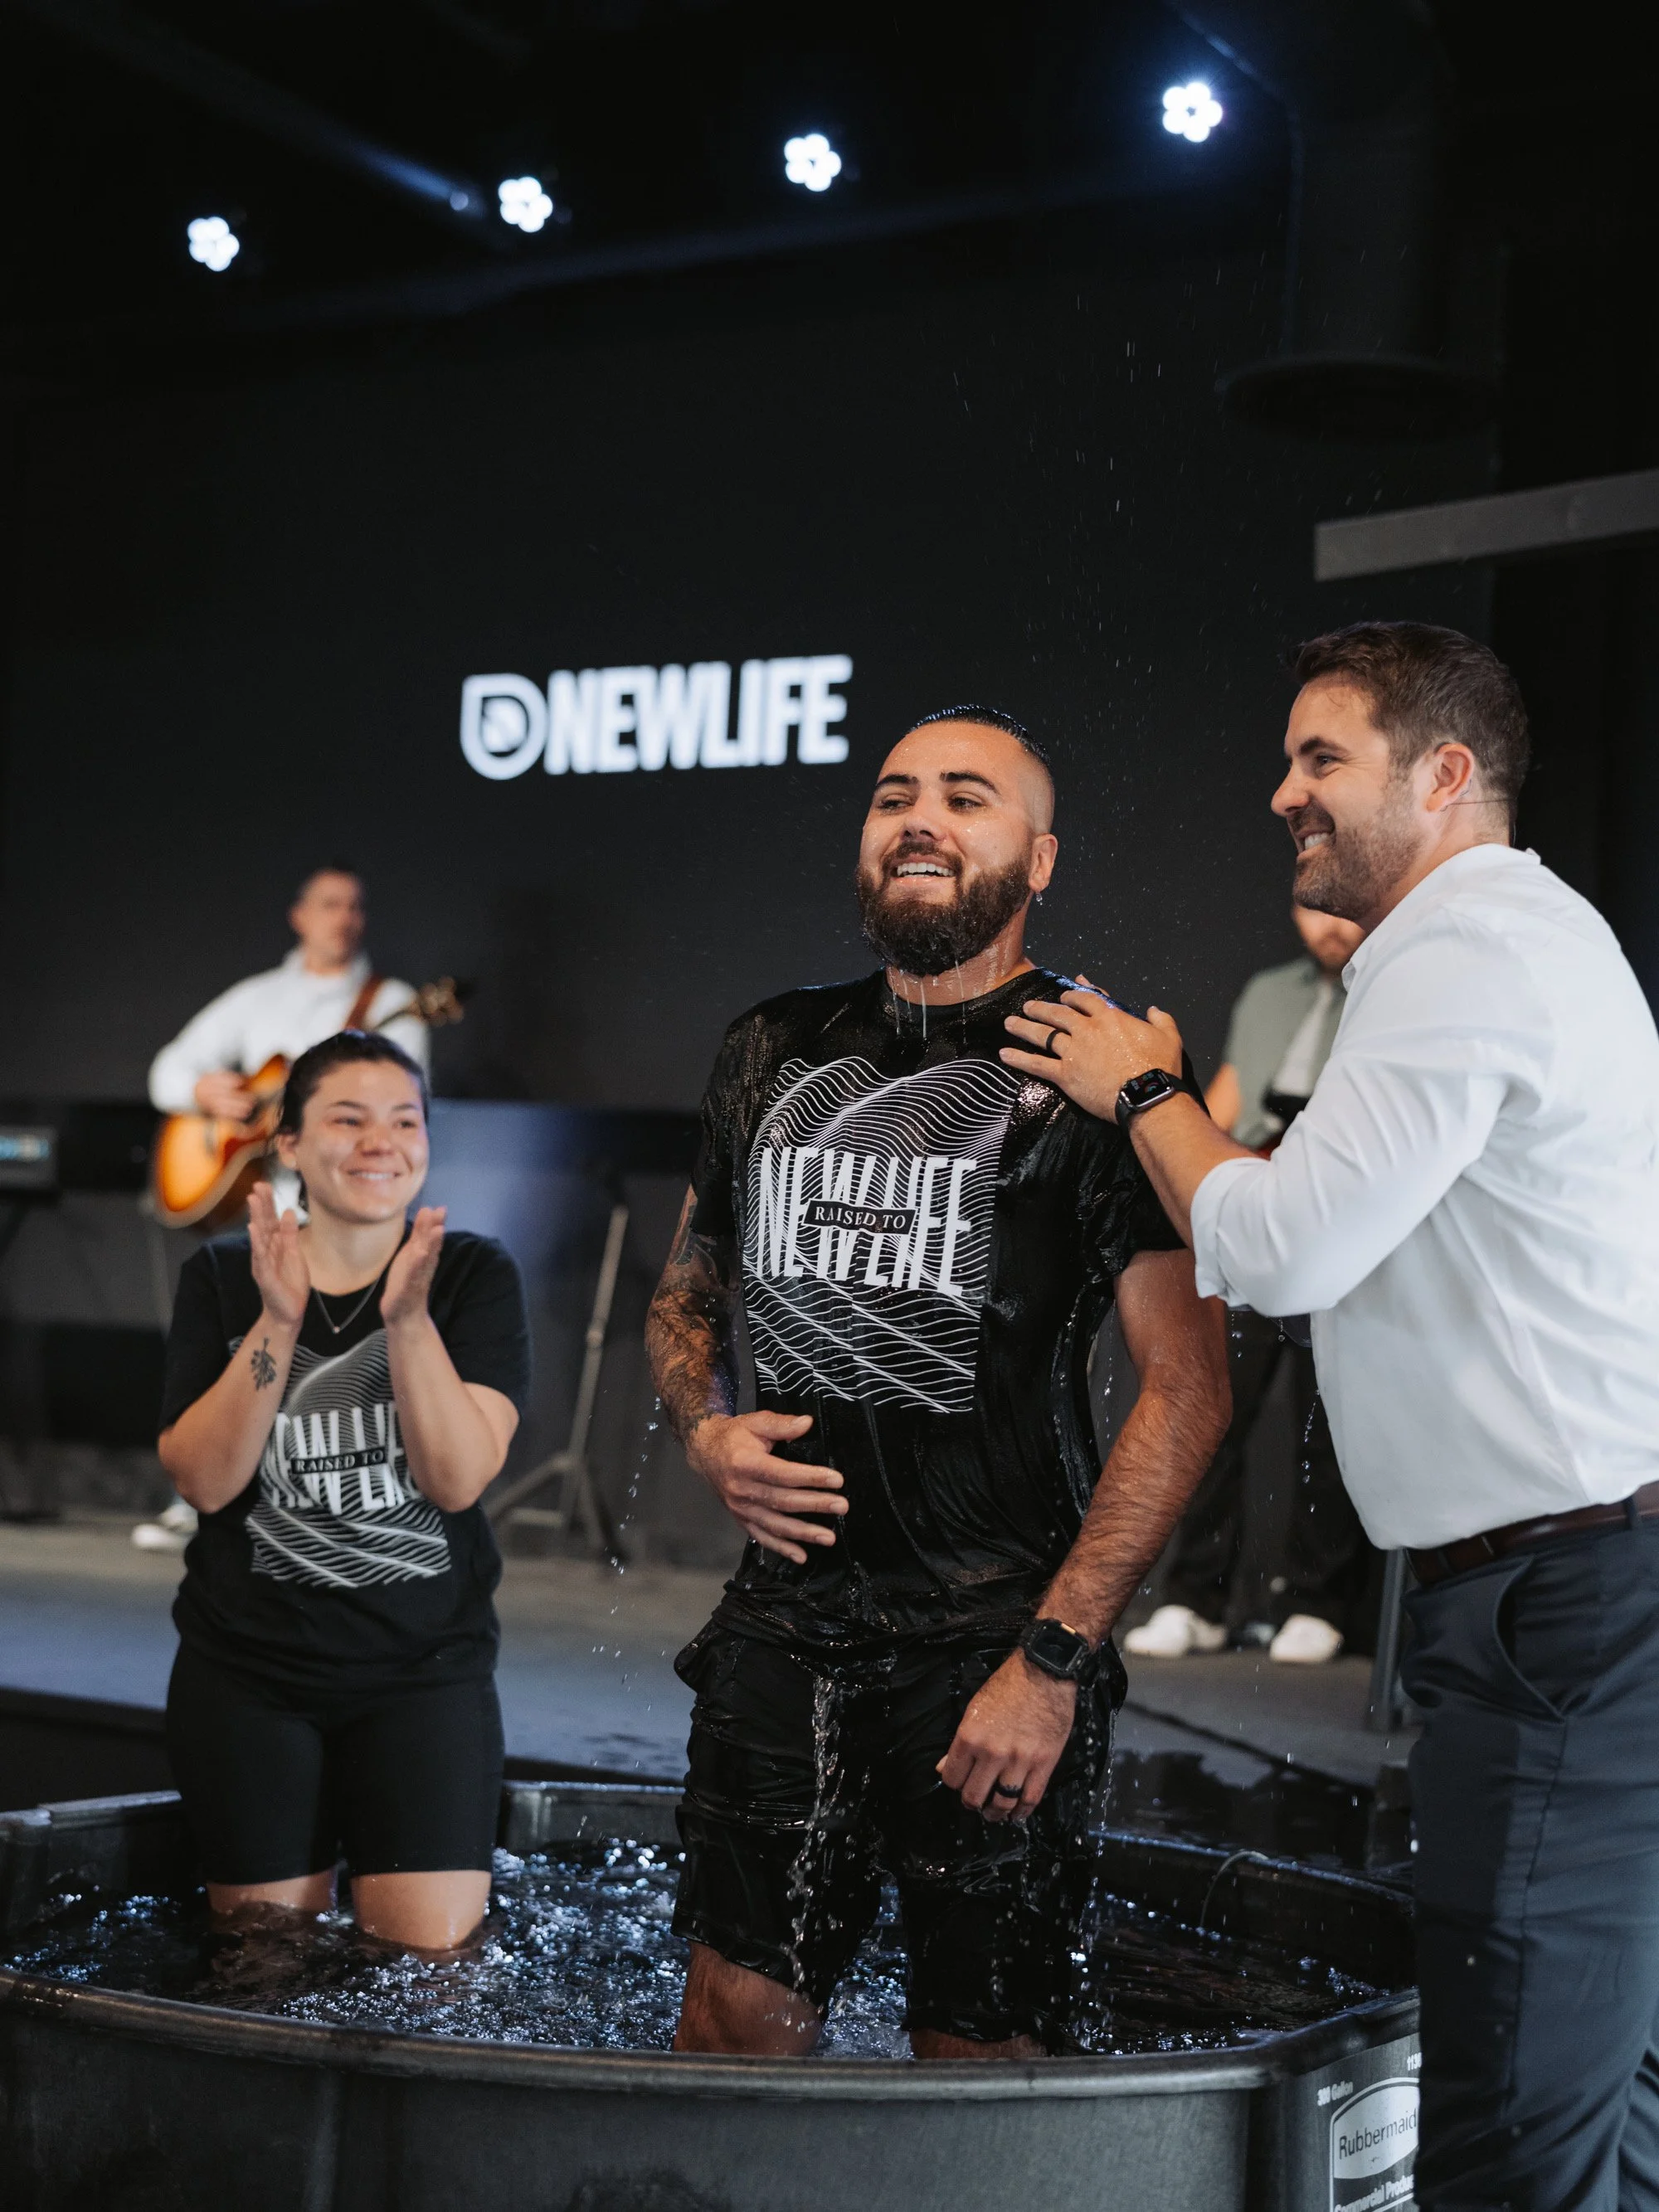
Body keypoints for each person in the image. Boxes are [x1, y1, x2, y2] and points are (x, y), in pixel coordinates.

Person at [1002, 623, 1659, 2209]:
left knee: (1511, 2136)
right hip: (1588, 1597)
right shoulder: (1523, 937)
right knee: (1607, 2113)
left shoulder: (1459, 950)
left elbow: (1285, 1248)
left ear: (1443, 774)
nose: (1283, 791)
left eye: (1322, 758)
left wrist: (1143, 1092)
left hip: (1564, 1621)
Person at [645, 705, 1229, 2060]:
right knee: (729, 2028)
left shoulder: (1102, 1068)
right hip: (785, 1624)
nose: (921, 818)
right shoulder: (769, 1046)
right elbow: (689, 1284)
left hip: (993, 1640)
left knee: (982, 2060)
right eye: (894, 794)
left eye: (968, 798)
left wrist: (1053, 1659)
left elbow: (1190, 1385)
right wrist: (707, 1429)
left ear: (1041, 860)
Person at [157, 1031, 529, 1955]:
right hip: (249, 1677)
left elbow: (456, 1479)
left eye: (404, 1121)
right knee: (261, 1967)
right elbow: (204, 1479)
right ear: (287, 1142)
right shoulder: (222, 1276)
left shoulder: (472, 1275)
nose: (380, 1142)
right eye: (348, 1119)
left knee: (431, 1974)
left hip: (423, 1676)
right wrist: (278, 1318)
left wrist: (406, 1322)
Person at [138, 865, 430, 1553]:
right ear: (299, 915)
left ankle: (320, 1509)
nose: (344, 918)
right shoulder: (258, 997)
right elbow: (167, 1068)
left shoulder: (392, 1002)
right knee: (234, 1344)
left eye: (355, 906)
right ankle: (206, 1493)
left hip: (341, 1215)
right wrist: (205, 1093)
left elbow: (401, 1105)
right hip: (261, 1206)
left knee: (333, 1360)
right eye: (330, 904)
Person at [1126, 905, 1371, 1665]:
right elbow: (1226, 1106)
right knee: (1213, 1407)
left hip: (1344, 1223)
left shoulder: (1390, 989)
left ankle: (1315, 1601)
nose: (1325, 924)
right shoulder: (1267, 992)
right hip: (1259, 1209)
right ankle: (1194, 1598)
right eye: (1309, 909)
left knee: (1325, 1422)